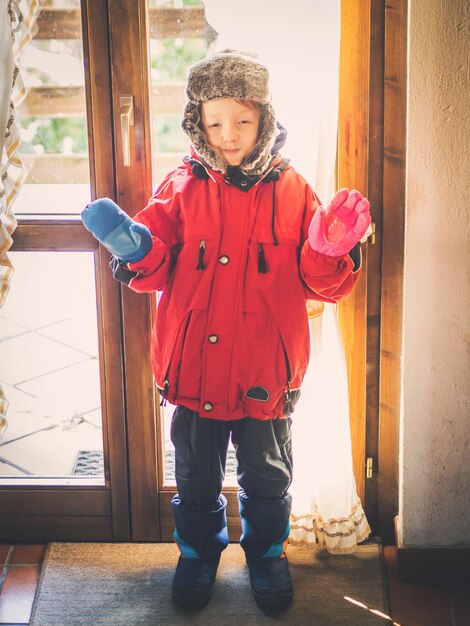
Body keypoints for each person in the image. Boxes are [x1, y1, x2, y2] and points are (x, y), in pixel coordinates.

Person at [81, 50, 371, 611]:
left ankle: (267, 554)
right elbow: (157, 264)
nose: (228, 135)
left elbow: (319, 284)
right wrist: (134, 247)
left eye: (241, 120)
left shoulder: (293, 190)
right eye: (214, 123)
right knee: (193, 479)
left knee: (267, 479)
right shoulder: (181, 186)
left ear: (263, 116)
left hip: (266, 372)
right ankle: (197, 554)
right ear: (197, 122)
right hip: (191, 370)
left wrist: (330, 249)